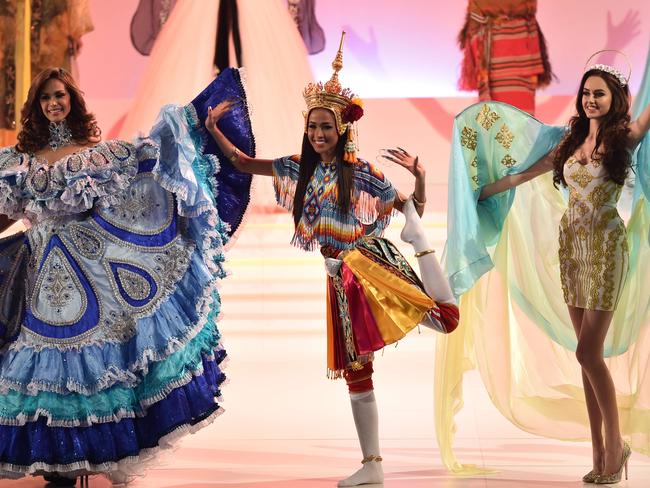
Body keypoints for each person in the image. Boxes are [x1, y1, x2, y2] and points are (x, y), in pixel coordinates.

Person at [205, 33, 459, 487]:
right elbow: (243, 164)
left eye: (327, 127)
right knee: (357, 370)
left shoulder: (360, 171)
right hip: (338, 276)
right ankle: (373, 465)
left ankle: (437, 271)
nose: (319, 134)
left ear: (341, 129)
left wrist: (420, 178)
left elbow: (408, 205)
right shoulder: (295, 168)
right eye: (313, 127)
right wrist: (212, 130)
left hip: (368, 265)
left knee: (444, 320)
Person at [0, 66, 253, 485]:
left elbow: (140, 184)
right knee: (44, 366)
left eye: (60, 95)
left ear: (72, 100)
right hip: (36, 272)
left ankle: (93, 452)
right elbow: (6, 215)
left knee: (101, 362)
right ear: (36, 106)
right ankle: (55, 466)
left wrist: (188, 129)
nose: (53, 104)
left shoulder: (97, 153)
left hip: (91, 266)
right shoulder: (18, 162)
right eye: (45, 98)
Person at [473, 61, 650, 483]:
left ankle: (616, 445)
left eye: (600, 93)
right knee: (587, 358)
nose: (591, 99)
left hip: (608, 248)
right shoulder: (570, 141)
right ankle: (599, 454)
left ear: (616, 99)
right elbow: (524, 174)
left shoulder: (624, 137)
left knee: (589, 352)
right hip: (571, 247)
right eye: (586, 92)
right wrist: (480, 191)